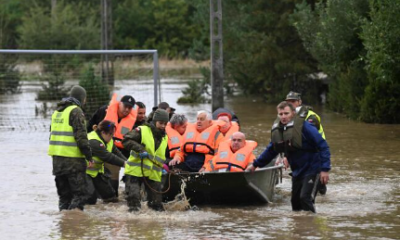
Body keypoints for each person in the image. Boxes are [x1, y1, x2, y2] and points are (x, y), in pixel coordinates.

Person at [246, 101, 331, 213]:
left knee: (305, 198)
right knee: (295, 204)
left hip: (313, 169)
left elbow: (323, 146)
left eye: (286, 113)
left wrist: (325, 169)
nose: (283, 117)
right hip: (297, 171)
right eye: (281, 114)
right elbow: (271, 150)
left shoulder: (305, 127)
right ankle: (298, 228)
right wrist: (255, 165)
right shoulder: (279, 130)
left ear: (293, 113)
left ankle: (311, 227)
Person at [48, 85, 93, 211]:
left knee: (64, 197)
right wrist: (89, 157)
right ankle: (73, 225)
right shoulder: (76, 111)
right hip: (73, 162)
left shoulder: (57, 112)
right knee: (81, 195)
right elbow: (81, 138)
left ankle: (64, 225)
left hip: (57, 162)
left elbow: (51, 135)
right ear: (82, 98)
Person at [86, 93, 138, 196]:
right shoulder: (104, 111)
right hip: (97, 153)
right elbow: (89, 126)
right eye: (125, 106)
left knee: (112, 188)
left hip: (115, 154)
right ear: (119, 104)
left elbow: (119, 149)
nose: (127, 110)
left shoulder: (132, 122)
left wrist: (127, 162)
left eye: (130, 108)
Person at [122, 109, 169, 212]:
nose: (163, 126)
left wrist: (165, 166)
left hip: (153, 174)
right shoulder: (142, 130)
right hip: (135, 172)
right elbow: (126, 140)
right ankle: (134, 225)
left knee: (156, 206)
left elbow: (164, 155)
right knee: (134, 202)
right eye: (161, 123)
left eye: (165, 123)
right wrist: (140, 149)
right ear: (154, 121)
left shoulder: (165, 137)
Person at [285, 91, 327, 195]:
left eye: (293, 101)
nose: (290, 104)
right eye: (288, 102)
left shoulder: (311, 117)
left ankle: (320, 190)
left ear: (299, 102)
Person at [86, 120, 127, 205]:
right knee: (91, 198)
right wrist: (124, 164)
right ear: (103, 133)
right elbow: (108, 156)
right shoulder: (93, 141)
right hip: (84, 172)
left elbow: (116, 152)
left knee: (111, 198)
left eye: (113, 134)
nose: (112, 137)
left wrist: (127, 161)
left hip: (96, 172)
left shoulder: (109, 140)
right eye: (110, 134)